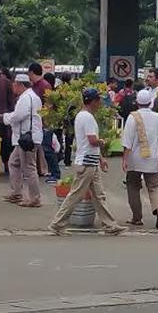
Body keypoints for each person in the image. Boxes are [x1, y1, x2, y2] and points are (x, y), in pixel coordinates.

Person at [49, 88, 124, 236]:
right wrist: (103, 142)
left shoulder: (82, 116)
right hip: (87, 163)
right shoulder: (87, 118)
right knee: (76, 195)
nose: (100, 103)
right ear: (93, 101)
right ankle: (57, 223)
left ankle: (110, 224)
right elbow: (92, 140)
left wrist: (100, 159)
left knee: (99, 195)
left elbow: (89, 143)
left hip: (90, 161)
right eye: (98, 100)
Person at [122, 89, 158, 228]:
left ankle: (137, 217)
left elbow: (127, 142)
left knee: (133, 187)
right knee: (153, 187)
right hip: (153, 158)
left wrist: (124, 159)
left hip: (136, 159)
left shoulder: (132, 117)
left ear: (137, 103)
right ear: (150, 103)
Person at [3, 73, 44, 207]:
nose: (13, 87)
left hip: (27, 139)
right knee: (13, 162)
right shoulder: (34, 97)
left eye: (15, 85)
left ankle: (34, 198)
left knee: (29, 167)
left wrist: (6, 118)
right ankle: (16, 193)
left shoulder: (25, 98)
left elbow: (19, 115)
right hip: (29, 137)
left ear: (20, 84)